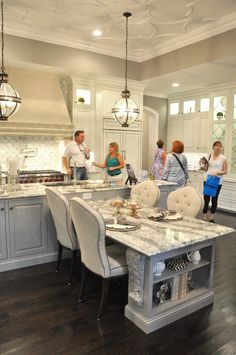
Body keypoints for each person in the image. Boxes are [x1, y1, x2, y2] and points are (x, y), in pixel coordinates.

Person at [202, 141, 227, 223]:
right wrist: (204, 166)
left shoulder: (223, 158)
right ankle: (204, 216)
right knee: (206, 199)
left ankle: (211, 217)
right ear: (213, 147)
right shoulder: (208, 156)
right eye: (216, 146)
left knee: (214, 199)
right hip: (208, 180)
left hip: (217, 181)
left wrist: (218, 173)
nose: (218, 147)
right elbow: (205, 169)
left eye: (220, 146)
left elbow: (225, 171)